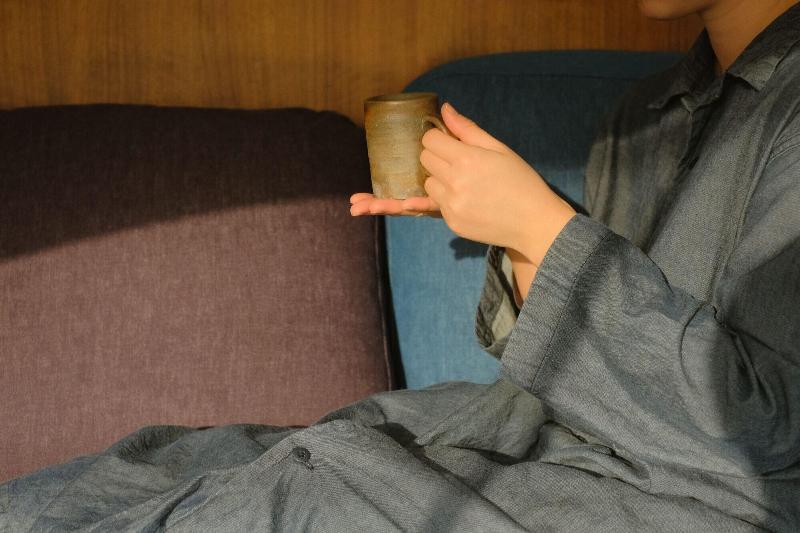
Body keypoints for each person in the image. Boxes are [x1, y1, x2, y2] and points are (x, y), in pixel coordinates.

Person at [3, 0, 799, 530]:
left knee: (304, 494)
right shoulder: (643, 119)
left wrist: (541, 226)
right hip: (538, 442)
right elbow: (589, 366)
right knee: (166, 463)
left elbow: (760, 441)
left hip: (685, 504)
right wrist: (510, 230)